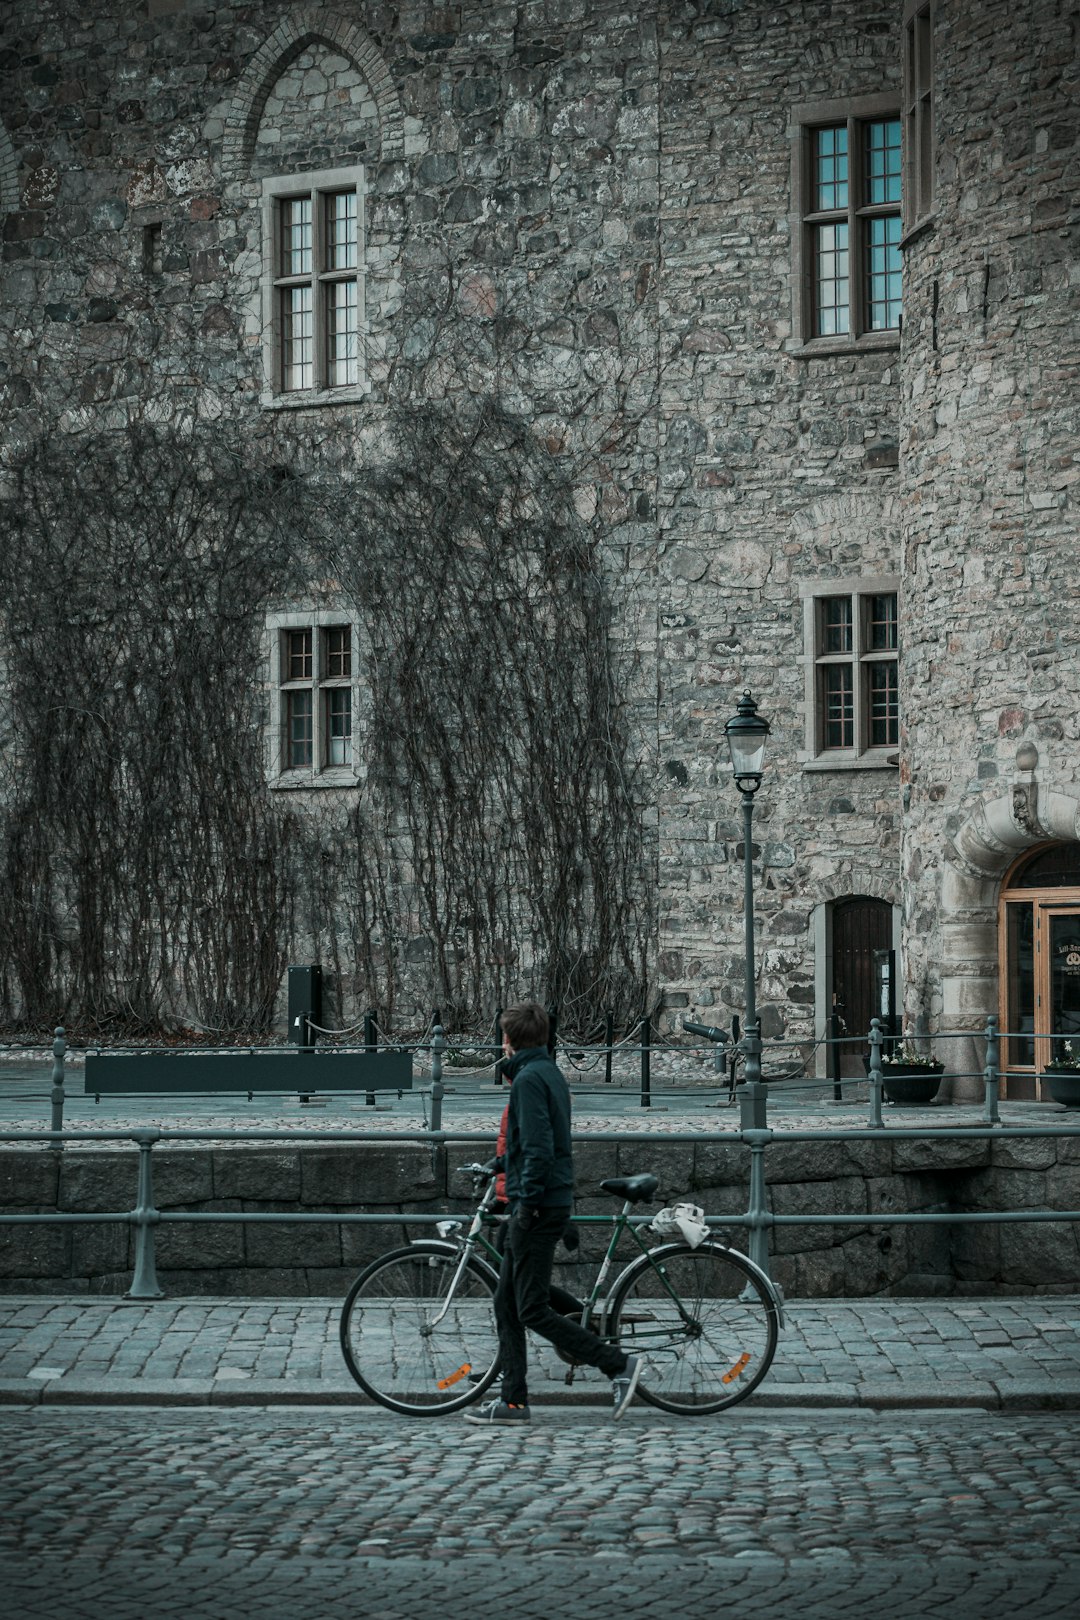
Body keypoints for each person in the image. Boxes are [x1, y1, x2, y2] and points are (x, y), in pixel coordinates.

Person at [464, 1000, 644, 1424]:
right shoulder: (545, 1073)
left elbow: (542, 1150)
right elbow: (533, 1144)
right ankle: (513, 1401)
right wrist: (499, 1166)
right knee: (506, 1304)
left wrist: (525, 1204)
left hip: (538, 1205)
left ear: (506, 1040)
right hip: (543, 1199)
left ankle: (616, 1363)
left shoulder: (528, 1079)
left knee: (529, 1308)